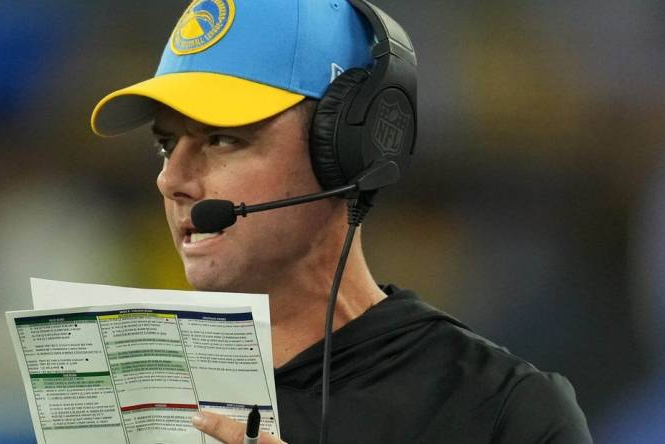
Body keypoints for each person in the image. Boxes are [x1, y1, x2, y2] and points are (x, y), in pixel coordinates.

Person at [91, 1, 592, 442]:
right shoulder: (122, 396)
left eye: (223, 139)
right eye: (165, 145)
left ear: (347, 149)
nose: (170, 179)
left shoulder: (498, 410)